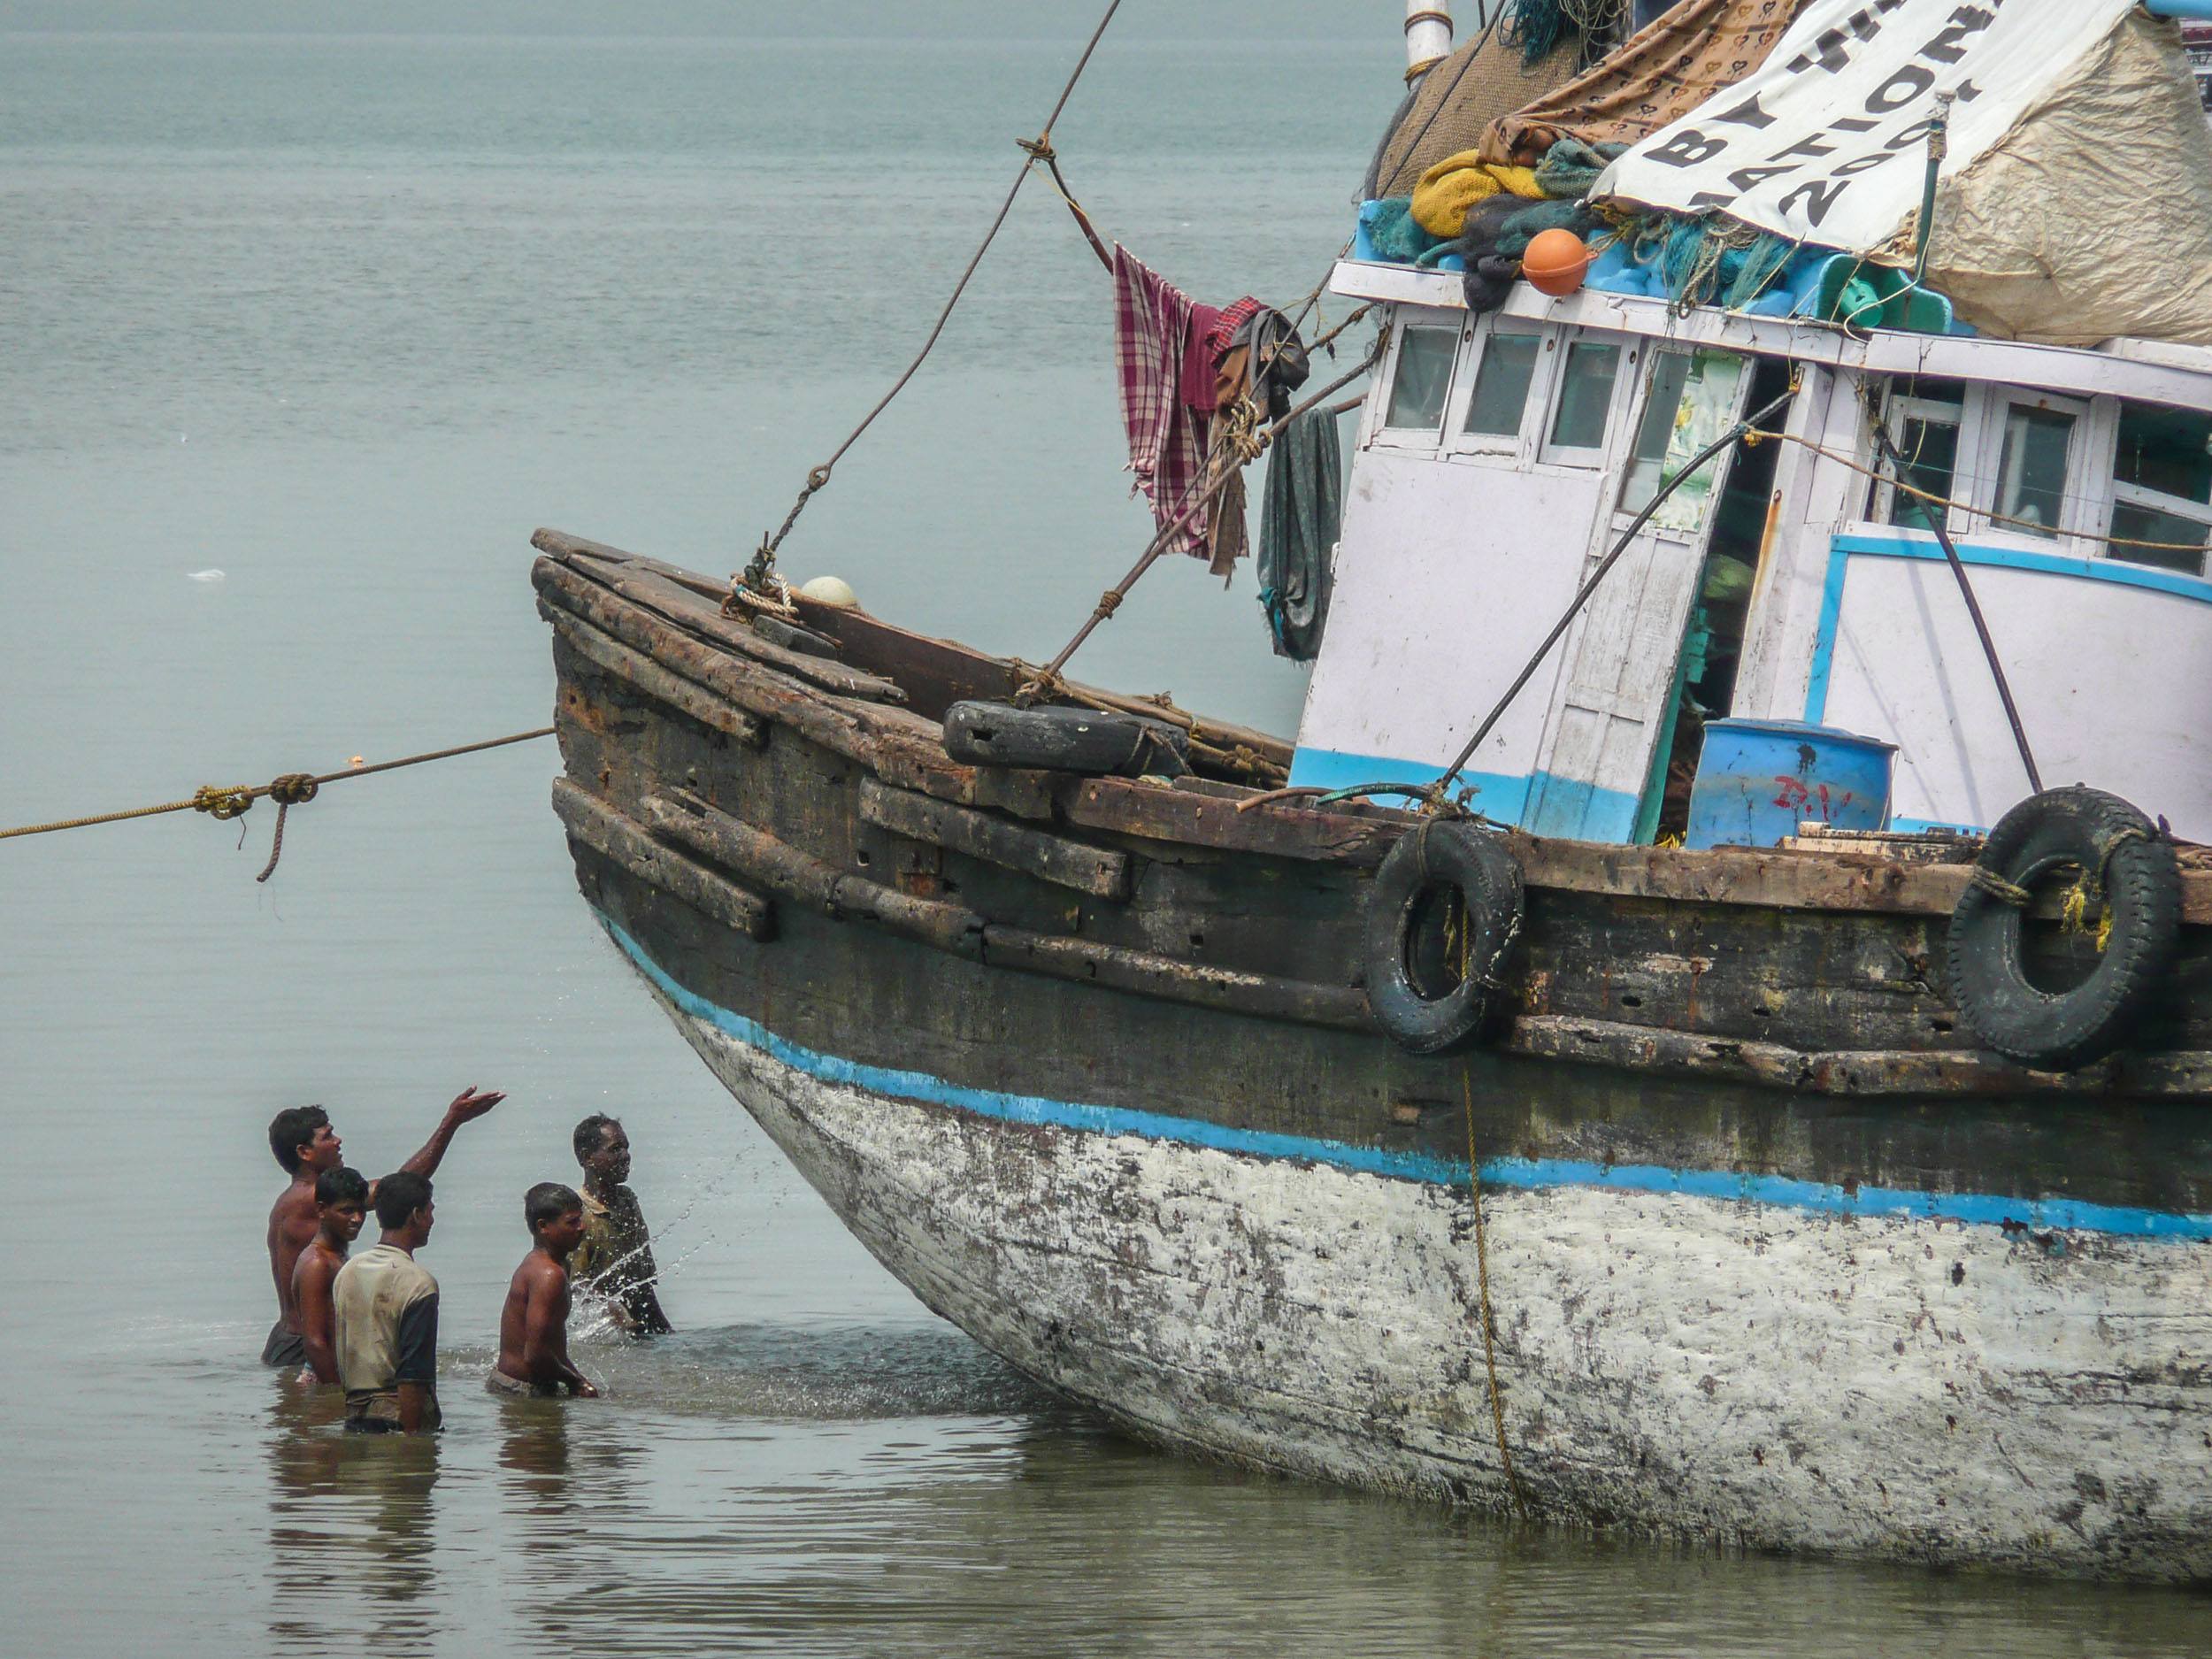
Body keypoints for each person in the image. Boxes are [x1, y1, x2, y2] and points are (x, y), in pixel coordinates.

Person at [261, 1086, 503, 1368]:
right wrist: (450, 1124)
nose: (338, 1141)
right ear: (304, 1152)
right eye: (327, 1137)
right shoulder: (309, 1198)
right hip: (305, 1347)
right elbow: (396, 1188)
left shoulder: (295, 1199)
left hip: (291, 1341)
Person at [331, 1171, 443, 1433]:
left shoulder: (348, 1272)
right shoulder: (419, 1283)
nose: (432, 1220)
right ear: (415, 1215)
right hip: (397, 1417)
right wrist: (412, 1441)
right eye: (429, 1211)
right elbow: (413, 1374)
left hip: (355, 1415)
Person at [487, 1183, 601, 1400]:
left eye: (581, 1218)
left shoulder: (555, 1265)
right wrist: (576, 1382)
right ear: (543, 1227)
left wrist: (578, 1380)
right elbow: (536, 1354)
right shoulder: (548, 1275)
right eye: (572, 1222)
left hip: (519, 1385)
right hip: (521, 1392)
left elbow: (552, 1345)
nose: (582, 1227)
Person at [569, 1115, 672, 1335]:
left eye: (626, 1148)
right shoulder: (578, 1215)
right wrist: (616, 1314)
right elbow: (576, 1287)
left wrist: (665, 1332)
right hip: (603, 1328)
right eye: (615, 1149)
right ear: (587, 1158)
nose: (626, 1156)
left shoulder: (627, 1201)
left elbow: (642, 1283)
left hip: (636, 1318)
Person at [291, 1165, 369, 1386]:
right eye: (347, 1211)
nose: (357, 1219)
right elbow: (315, 1342)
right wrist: (339, 1393)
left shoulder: (337, 1255)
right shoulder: (317, 1263)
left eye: (361, 1210)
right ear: (322, 1210)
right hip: (323, 1378)